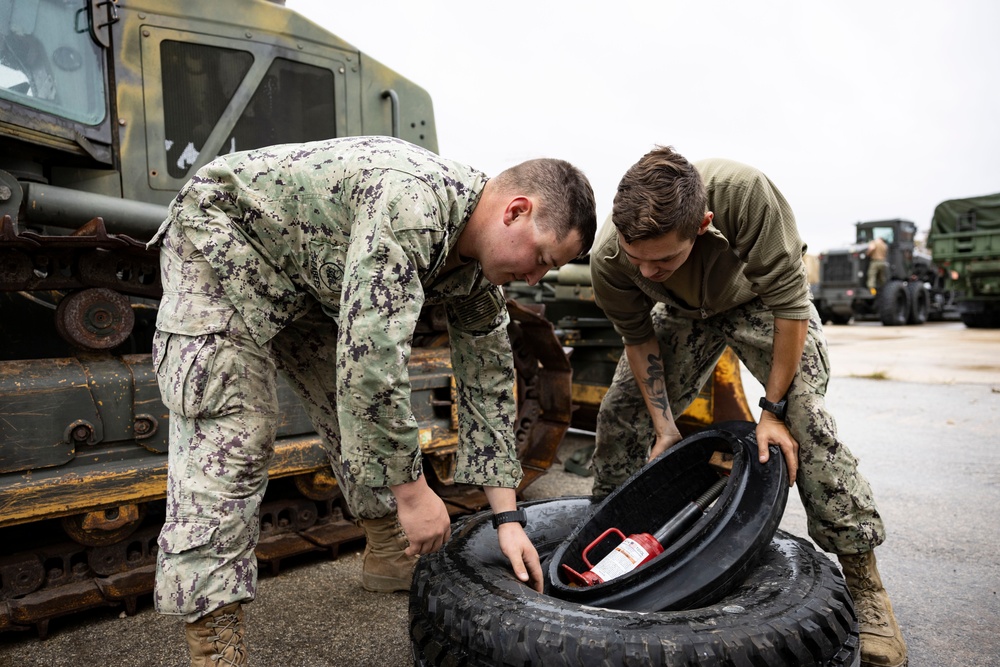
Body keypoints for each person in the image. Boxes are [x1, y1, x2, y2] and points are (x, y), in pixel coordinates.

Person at [148, 135, 597, 666]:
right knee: (236, 430)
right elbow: (373, 371)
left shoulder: (475, 272)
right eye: (540, 258)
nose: (534, 277)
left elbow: (490, 382)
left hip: (307, 273)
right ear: (516, 211)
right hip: (226, 240)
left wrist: (508, 518)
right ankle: (213, 637)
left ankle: (388, 550)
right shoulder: (411, 208)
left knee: (355, 416)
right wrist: (413, 494)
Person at [588, 146, 906, 667]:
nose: (648, 269)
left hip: (759, 301)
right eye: (636, 256)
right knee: (621, 413)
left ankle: (866, 585)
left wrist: (773, 411)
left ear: (704, 225)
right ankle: (604, 537)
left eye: (663, 259)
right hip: (684, 315)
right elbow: (638, 337)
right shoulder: (610, 257)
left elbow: (790, 304)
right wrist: (665, 428)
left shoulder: (746, 197)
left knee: (807, 424)